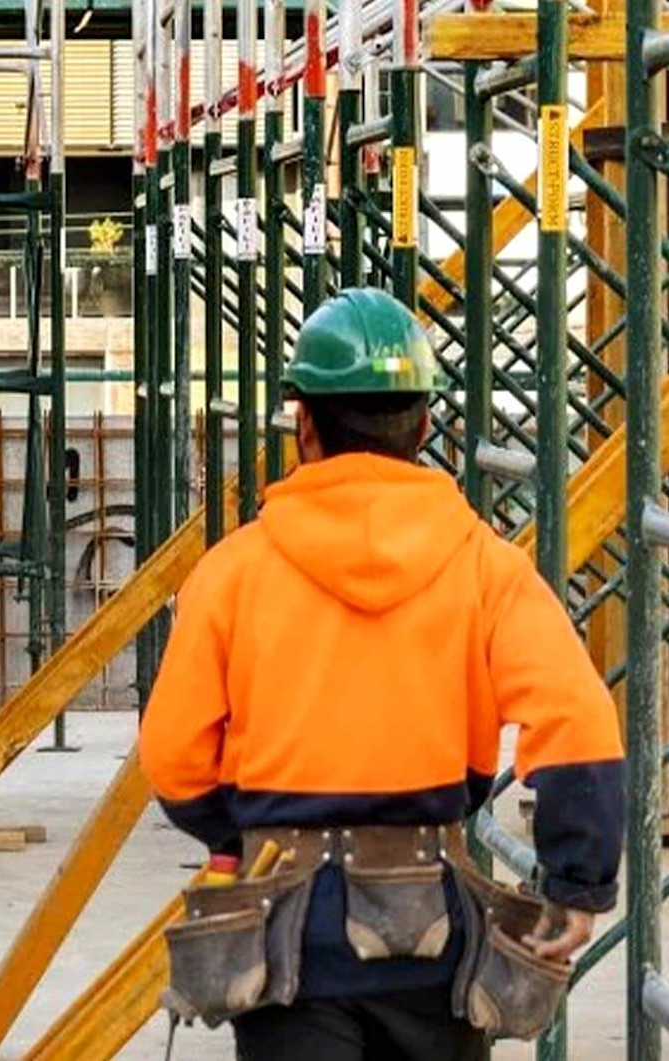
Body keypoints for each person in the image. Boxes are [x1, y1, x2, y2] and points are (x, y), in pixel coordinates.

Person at [139, 288, 623, 1058]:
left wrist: (234, 831)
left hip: (290, 930)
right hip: (436, 927)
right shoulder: (486, 567)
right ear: (425, 425)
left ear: (304, 426)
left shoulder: (233, 573)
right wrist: (577, 879)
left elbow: (172, 753)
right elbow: (578, 720)